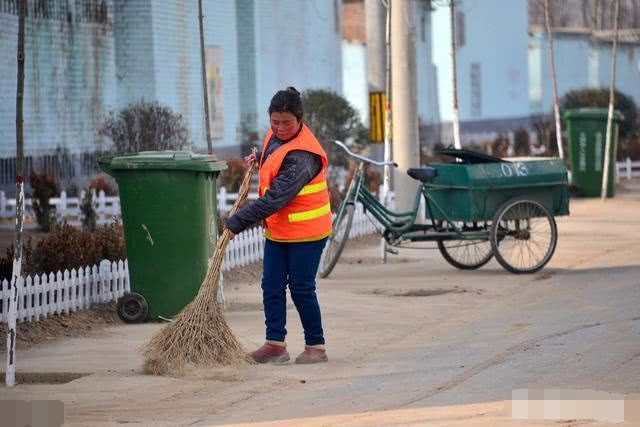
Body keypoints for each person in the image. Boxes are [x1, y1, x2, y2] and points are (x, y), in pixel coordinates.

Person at [224, 87, 332, 364]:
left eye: (287, 123)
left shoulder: (304, 156)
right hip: (280, 229)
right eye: (275, 122)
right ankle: (275, 345)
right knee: (271, 285)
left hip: (307, 232)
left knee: (301, 288)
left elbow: (275, 198)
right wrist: (261, 156)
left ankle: (316, 347)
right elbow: (276, 151)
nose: (280, 128)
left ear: (300, 120)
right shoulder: (277, 135)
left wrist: (238, 221)